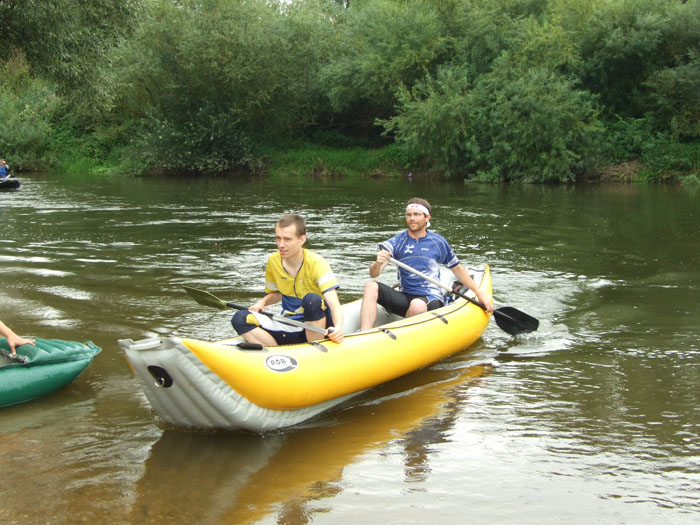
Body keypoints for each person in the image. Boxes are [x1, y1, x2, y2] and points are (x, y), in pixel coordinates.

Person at [360, 198, 493, 330]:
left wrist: (479, 293)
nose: (412, 218)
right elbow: (374, 274)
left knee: (417, 305)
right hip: (405, 295)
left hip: (430, 297)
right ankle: (365, 333)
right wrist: (378, 263)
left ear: (427, 217)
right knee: (371, 286)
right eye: (409, 214)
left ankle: (406, 337)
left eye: (416, 214)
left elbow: (457, 268)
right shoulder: (397, 241)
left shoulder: (438, 242)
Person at [232, 214, 344, 346]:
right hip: (289, 323)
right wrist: (262, 302)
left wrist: (338, 328)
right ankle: (275, 354)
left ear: (302, 240)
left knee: (311, 300)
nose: (281, 245)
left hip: (318, 325)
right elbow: (277, 294)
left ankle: (315, 348)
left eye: (287, 239)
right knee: (239, 318)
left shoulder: (318, 263)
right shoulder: (273, 261)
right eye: (278, 238)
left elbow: (334, 305)